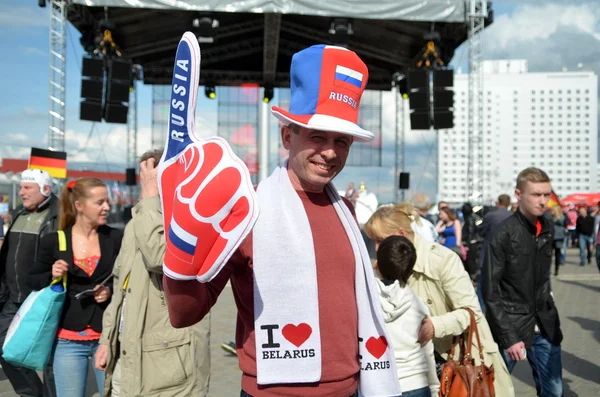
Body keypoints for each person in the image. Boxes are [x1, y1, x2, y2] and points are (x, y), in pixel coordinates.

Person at [163, 45, 401, 396]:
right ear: (288, 136)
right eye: (317, 136)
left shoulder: (347, 213)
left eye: (342, 141)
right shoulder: (248, 212)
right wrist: (180, 249)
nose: (331, 151)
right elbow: (184, 315)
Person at [364, 205, 514, 397]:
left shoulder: (442, 260)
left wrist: (434, 326)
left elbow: (471, 312)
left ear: (401, 235)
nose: (376, 249)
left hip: (456, 360)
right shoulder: (381, 266)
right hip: (412, 368)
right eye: (373, 242)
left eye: (379, 241)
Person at [94, 151, 211, 397]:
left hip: (168, 370)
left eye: (150, 178)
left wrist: (149, 198)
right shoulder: (138, 222)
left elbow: (160, 258)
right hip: (127, 358)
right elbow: (121, 289)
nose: (144, 185)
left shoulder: (196, 217)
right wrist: (107, 339)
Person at [27, 178, 123, 397]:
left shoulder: (115, 237)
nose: (107, 207)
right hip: (67, 341)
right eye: (100, 203)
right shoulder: (55, 240)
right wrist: (51, 274)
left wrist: (109, 289)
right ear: (79, 205)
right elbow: (32, 280)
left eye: (107, 202)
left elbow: (127, 281)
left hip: (107, 339)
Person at [483, 167, 563, 397]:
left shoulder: (547, 228)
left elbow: (542, 279)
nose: (543, 201)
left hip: (545, 324)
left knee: (554, 391)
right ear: (519, 194)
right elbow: (490, 291)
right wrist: (509, 338)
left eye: (546, 195)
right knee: (496, 390)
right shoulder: (503, 233)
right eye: (536, 195)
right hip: (511, 326)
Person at [0, 169, 58, 397]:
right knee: (5, 350)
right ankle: (33, 394)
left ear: (45, 189)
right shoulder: (19, 213)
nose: (21, 192)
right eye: (21, 187)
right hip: (13, 299)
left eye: (27, 188)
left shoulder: (58, 215)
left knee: (51, 361)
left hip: (44, 300)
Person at [374, 236, 439, 397]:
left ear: (377, 263)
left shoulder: (366, 301)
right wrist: (435, 388)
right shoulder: (418, 305)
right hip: (417, 383)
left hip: (378, 384)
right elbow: (427, 352)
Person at [461, 202, 483, 280]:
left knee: (471, 262)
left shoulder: (469, 219)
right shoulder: (475, 217)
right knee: (474, 261)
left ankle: (473, 277)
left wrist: (467, 245)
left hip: (472, 243)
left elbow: (471, 232)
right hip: (476, 242)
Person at [550, 206, 567, 276]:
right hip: (551, 237)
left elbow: (564, 225)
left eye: (553, 211)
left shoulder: (562, 218)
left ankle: (556, 270)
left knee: (557, 254)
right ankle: (548, 269)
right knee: (549, 254)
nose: (551, 212)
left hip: (559, 238)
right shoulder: (551, 218)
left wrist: (556, 220)